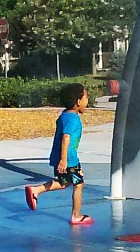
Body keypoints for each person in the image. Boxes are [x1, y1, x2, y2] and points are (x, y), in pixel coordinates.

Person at [25, 82, 93, 226]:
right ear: (78, 101)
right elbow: (66, 137)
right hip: (69, 160)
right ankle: (76, 216)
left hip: (59, 158)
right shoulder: (73, 119)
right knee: (79, 184)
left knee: (64, 182)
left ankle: (35, 190)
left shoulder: (64, 115)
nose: (88, 100)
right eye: (86, 97)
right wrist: (64, 160)